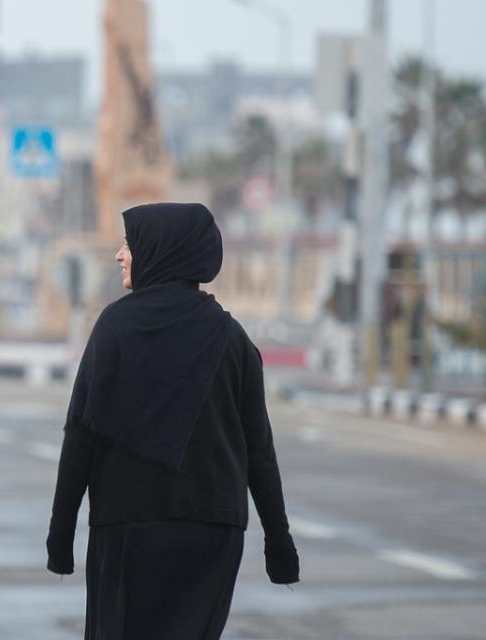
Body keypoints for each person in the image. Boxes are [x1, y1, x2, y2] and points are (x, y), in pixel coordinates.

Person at [45, 203, 299, 639]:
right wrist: (279, 543)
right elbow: (260, 450)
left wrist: (61, 537)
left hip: (128, 528)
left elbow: (80, 433)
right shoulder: (232, 338)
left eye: (130, 244)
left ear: (160, 250)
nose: (120, 255)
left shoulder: (116, 327)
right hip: (212, 532)